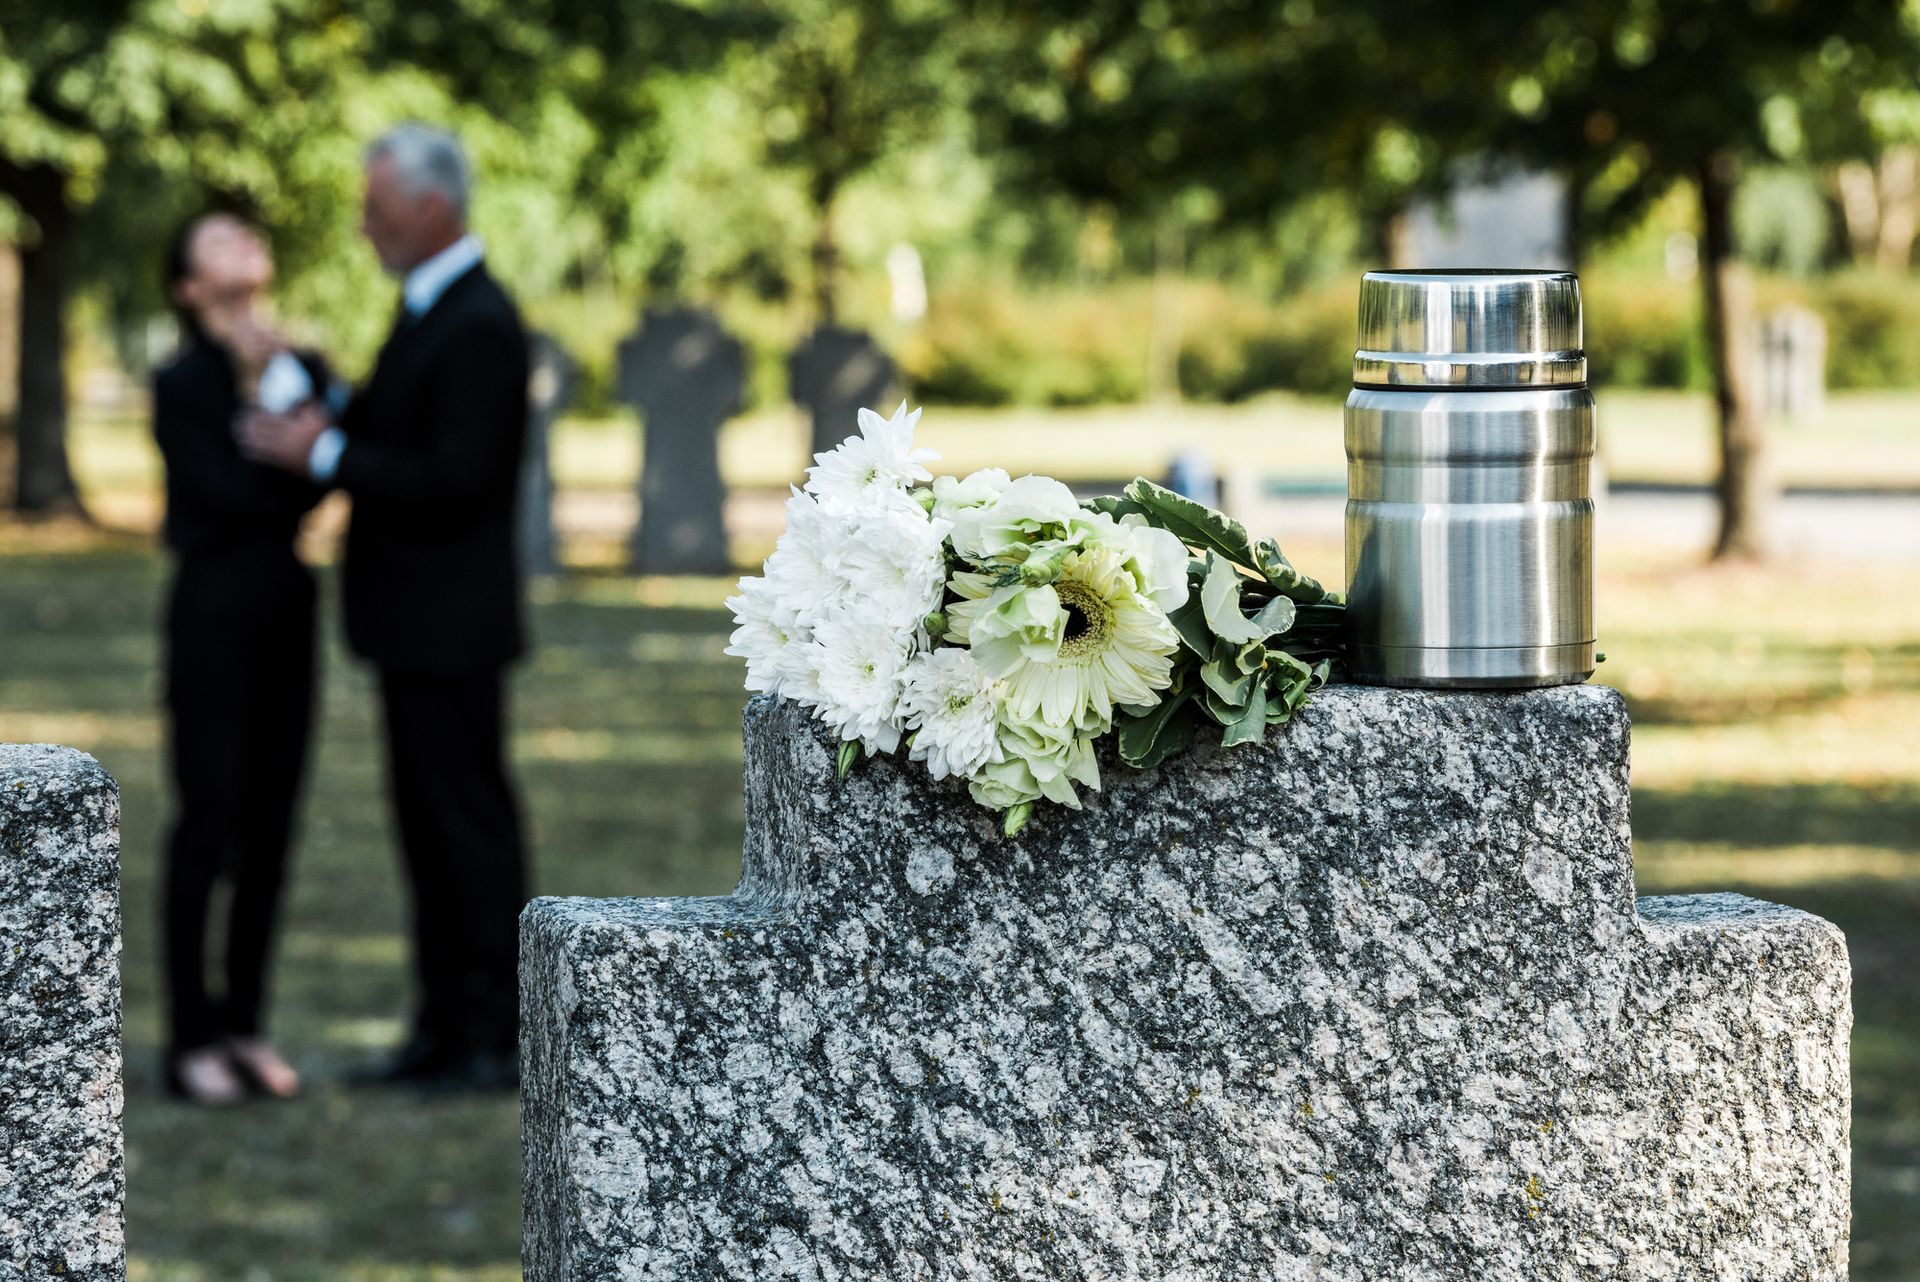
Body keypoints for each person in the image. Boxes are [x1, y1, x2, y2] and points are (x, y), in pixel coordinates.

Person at [240, 124, 531, 1092]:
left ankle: (495, 1031)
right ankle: (441, 1022)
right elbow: (386, 418)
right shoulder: (427, 307)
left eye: (376, 208)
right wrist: (313, 381)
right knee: (423, 828)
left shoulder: (480, 319)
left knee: (466, 826)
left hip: (452, 624)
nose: (363, 227)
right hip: (412, 625)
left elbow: (460, 474)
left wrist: (320, 457)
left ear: (431, 207)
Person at [153, 212, 325, 1105]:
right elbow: (222, 495)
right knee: (207, 820)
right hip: (213, 610)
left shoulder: (306, 365)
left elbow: (328, 471)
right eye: (213, 239)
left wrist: (291, 427)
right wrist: (267, 414)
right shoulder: (182, 382)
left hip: (288, 611)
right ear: (188, 287)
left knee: (272, 823)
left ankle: (247, 1024)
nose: (241, 241)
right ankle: (190, 1038)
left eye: (244, 231)